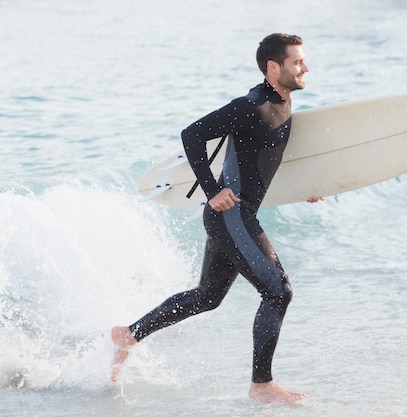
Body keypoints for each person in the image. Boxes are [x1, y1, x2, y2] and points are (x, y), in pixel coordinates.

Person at [111, 33, 318, 403]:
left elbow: (264, 161)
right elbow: (192, 134)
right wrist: (213, 191)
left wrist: (304, 188)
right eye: (297, 62)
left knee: (207, 297)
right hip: (231, 216)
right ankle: (261, 386)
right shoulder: (251, 106)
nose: (306, 67)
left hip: (235, 218)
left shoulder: (282, 104)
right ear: (274, 67)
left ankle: (128, 335)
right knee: (278, 292)